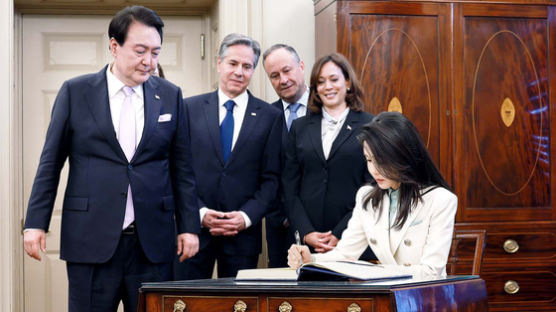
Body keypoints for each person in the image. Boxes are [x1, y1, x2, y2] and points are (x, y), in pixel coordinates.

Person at [22, 6, 200, 312]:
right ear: (114, 46)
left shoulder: (170, 95)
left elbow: (182, 168)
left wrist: (189, 226)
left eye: (156, 52)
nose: (149, 61)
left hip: (153, 243)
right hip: (90, 240)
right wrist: (35, 223)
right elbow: (50, 163)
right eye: (140, 50)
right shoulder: (75, 92)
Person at [288, 112, 458, 278]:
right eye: (369, 160)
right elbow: (345, 254)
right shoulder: (366, 197)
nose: (374, 170)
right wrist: (310, 259)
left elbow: (430, 272)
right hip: (385, 295)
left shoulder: (441, 200)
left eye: (382, 161)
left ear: (404, 156)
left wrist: (373, 271)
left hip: (425, 298)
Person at [174, 33, 283, 279]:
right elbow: (178, 170)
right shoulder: (188, 109)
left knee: (238, 304)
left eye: (247, 66)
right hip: (193, 231)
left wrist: (245, 218)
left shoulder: (270, 117)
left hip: (242, 237)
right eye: (233, 64)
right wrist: (199, 213)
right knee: (186, 303)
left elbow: (272, 179)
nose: (239, 72)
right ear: (219, 63)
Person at [282, 52, 375, 259]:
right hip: (307, 243)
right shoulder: (300, 127)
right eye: (321, 82)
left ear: (348, 82)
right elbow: (289, 186)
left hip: (353, 239)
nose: (328, 87)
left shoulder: (371, 126)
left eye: (334, 79)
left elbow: (373, 187)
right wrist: (306, 232)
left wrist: (341, 232)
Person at [262, 44, 309, 267]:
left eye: (287, 70)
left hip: (320, 227)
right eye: (274, 75)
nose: (283, 79)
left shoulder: (327, 111)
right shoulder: (265, 117)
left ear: (301, 66)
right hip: (279, 228)